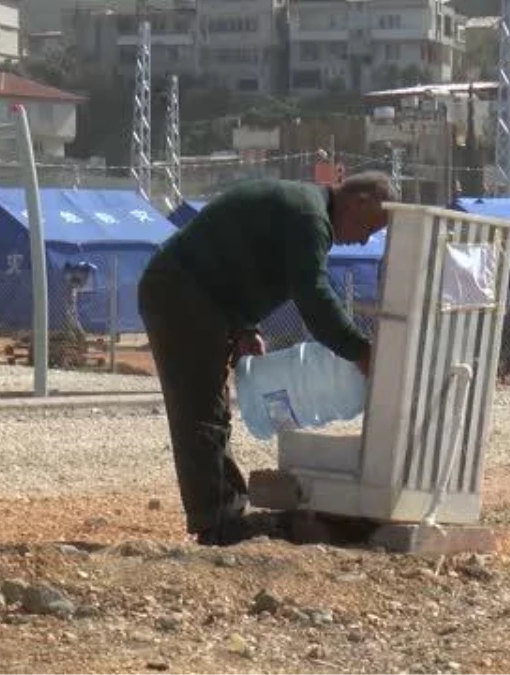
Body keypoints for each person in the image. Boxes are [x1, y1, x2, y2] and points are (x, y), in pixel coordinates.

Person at [138, 172, 393, 547]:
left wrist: (244, 327)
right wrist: (360, 351)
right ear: (359, 201)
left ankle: (223, 511)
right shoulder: (310, 218)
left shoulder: (305, 208)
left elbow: (237, 260)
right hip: (181, 294)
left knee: (210, 408)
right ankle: (218, 521)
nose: (363, 239)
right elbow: (313, 294)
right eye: (369, 227)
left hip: (196, 295)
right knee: (199, 409)